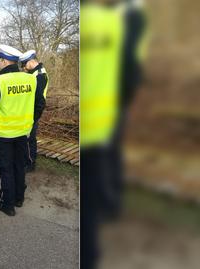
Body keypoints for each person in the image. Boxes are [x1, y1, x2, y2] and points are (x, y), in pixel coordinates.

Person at [80, 0, 148, 268]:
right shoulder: (121, 22)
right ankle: (112, 206)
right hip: (110, 115)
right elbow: (132, 69)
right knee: (109, 166)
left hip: (96, 121)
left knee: (93, 184)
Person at [0, 45, 45, 216]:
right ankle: (19, 198)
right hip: (23, 132)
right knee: (19, 165)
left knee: (4, 167)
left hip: (2, 134)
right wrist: (30, 121)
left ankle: (7, 204)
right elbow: (40, 104)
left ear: (3, 60)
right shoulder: (31, 79)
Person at [19, 50, 49, 172]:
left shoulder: (40, 75)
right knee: (27, 138)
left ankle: (30, 164)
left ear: (31, 61)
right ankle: (26, 160)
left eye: (24, 65)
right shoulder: (34, 73)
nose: (23, 68)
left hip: (32, 113)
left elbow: (40, 101)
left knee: (30, 138)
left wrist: (34, 118)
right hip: (28, 111)